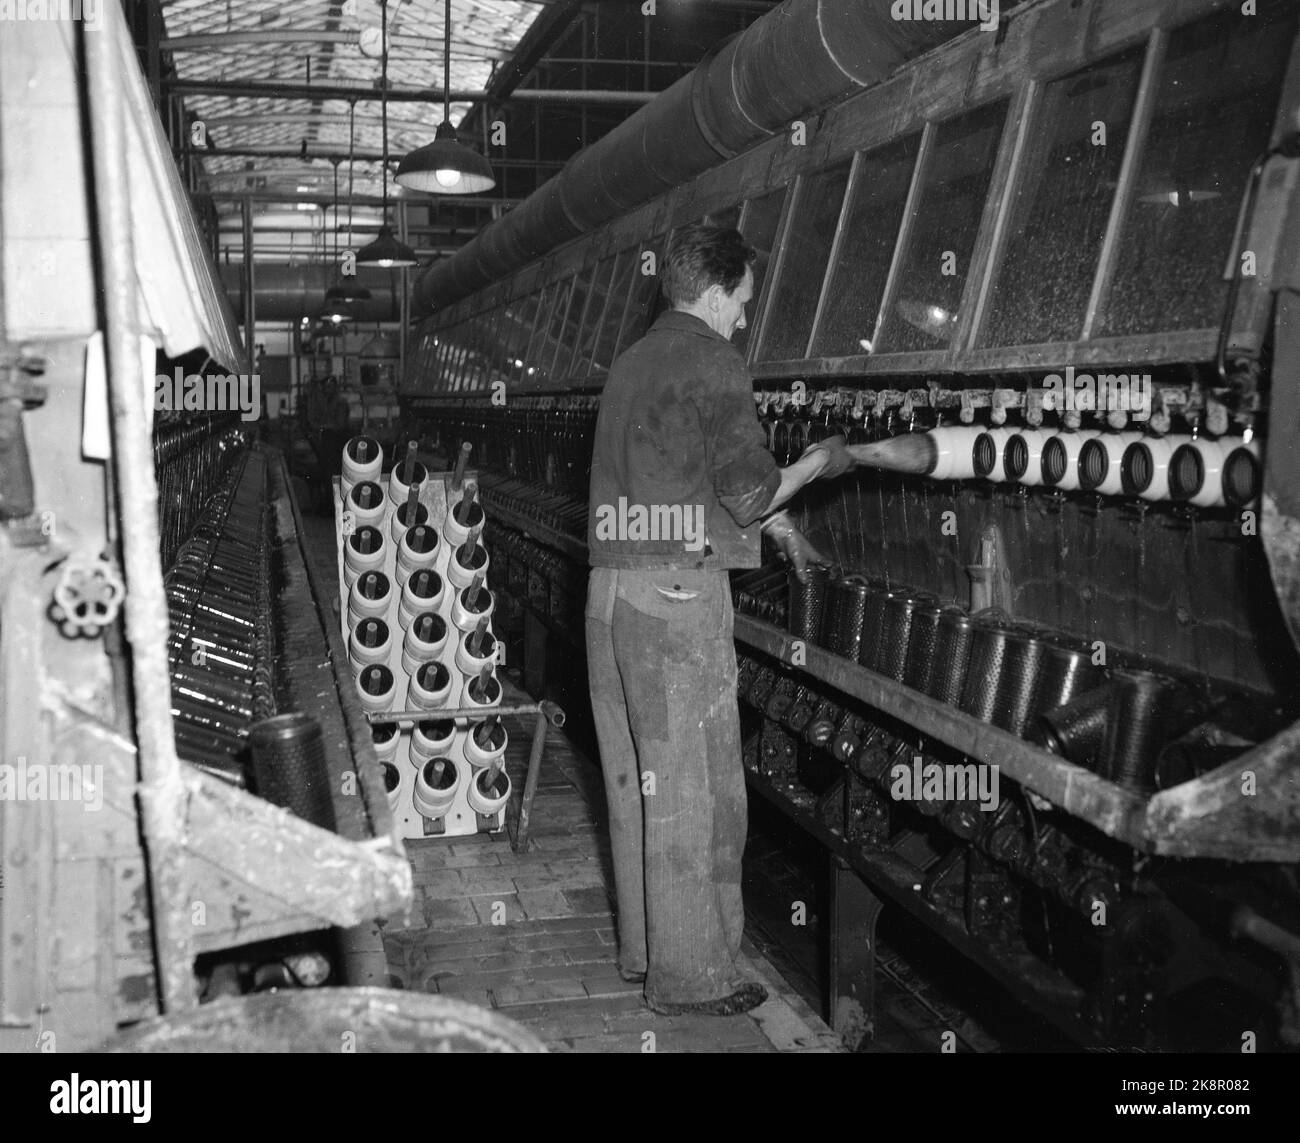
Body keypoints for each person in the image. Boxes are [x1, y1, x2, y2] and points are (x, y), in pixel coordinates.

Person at [585, 224, 854, 1017]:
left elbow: (677, 473)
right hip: (674, 603)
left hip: (609, 594)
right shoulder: (714, 359)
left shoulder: (634, 359)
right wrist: (819, 464)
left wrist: (777, 528)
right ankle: (693, 975)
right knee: (696, 793)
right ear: (712, 293)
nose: (743, 315)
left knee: (635, 780)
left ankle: (645, 950)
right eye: (741, 300)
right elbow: (746, 489)